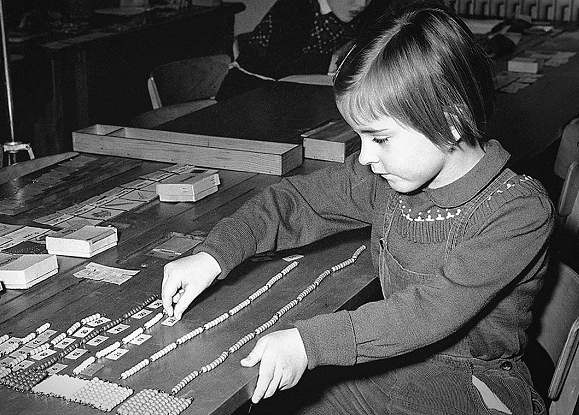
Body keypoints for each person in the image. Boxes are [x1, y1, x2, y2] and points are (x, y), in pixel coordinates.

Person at [162, 1, 555, 414]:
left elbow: (428, 312)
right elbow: (294, 201)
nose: (364, 156)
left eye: (379, 138)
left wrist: (307, 342)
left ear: (451, 121)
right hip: (393, 370)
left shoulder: (519, 211)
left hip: (474, 389)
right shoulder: (387, 176)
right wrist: (212, 255)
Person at [215, 0, 392, 101]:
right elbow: (276, 61)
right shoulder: (296, 7)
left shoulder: (363, 10)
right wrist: (328, 62)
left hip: (299, 91)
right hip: (248, 90)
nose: (362, 3)